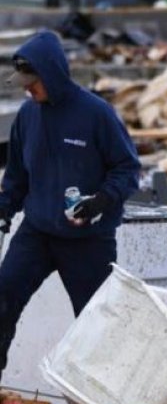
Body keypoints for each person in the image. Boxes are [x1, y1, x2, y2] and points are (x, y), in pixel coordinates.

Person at [0, 30, 140, 378]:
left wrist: (101, 201)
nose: (27, 88)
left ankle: (104, 400)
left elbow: (128, 168)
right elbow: (17, 175)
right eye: (23, 82)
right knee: (2, 300)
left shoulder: (96, 114)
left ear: (52, 73)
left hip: (88, 240)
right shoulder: (27, 117)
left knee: (97, 323)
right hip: (37, 233)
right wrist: (4, 208)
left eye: (33, 81)